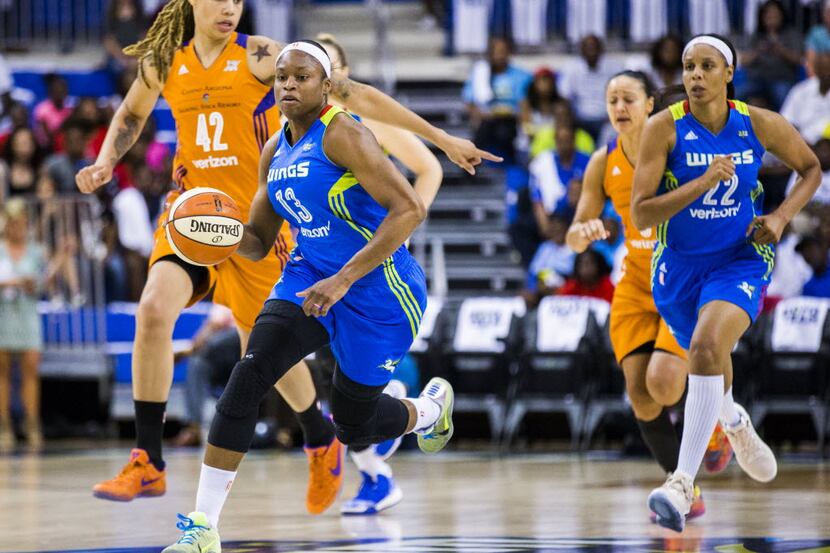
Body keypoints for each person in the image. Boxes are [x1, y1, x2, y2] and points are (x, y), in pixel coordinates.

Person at [74, 0, 495, 508]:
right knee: (154, 310)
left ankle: (319, 435)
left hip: (262, 221)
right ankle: (148, 460)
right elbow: (130, 116)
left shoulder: (261, 57)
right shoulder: (164, 61)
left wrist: (440, 137)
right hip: (200, 218)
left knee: (265, 350)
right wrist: (104, 162)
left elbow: (353, 93)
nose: (231, 7)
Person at [162, 41, 455, 552]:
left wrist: (343, 279)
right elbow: (256, 239)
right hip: (305, 278)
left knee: (352, 423)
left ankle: (427, 412)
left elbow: (409, 209)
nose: (289, 86)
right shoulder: (274, 151)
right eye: (281, 78)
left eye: (302, 77)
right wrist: (218, 236)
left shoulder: (345, 133)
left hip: (380, 292)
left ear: (325, 86)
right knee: (250, 372)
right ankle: (202, 527)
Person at [631, 34, 821, 532]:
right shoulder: (662, 129)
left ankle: (681, 481)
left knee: (707, 343)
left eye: (706, 66)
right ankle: (733, 420)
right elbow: (642, 214)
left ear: (728, 74)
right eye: (689, 67)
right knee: (710, 361)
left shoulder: (758, 123)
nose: (694, 75)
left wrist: (779, 217)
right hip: (678, 268)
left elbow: (810, 169)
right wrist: (701, 183)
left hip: (740, 257)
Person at [566, 70, 733, 524]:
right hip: (636, 286)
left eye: (628, 99)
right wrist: (582, 233)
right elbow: (576, 233)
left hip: (682, 279)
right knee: (641, 396)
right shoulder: (603, 161)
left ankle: (714, 419)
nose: (619, 107)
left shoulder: (677, 148)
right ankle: (684, 488)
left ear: (649, 105)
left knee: (664, 382)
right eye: (612, 100)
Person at [316, 32, 442, 515]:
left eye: (328, 61)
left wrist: (406, 227)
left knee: (347, 380)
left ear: (343, 74)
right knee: (330, 375)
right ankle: (377, 469)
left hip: (372, 264)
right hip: (323, 261)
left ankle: (382, 447)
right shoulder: (298, 127)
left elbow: (429, 169)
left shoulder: (363, 122)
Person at [0, 199, 46, 452]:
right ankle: (4, 425)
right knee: (2, 372)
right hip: (3, 314)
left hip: (27, 314)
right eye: (14, 223)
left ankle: (31, 424)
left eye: (22, 224)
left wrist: (32, 283)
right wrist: (9, 284)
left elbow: (42, 283)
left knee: (30, 371)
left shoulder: (35, 251)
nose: (18, 228)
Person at [737, 0, 802, 111]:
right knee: (736, 95)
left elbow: (798, 60)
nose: (771, 17)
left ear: (782, 15)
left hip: (781, 79)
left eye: (775, 14)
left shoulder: (791, 34)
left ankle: (783, 127)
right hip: (757, 80)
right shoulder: (757, 35)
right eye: (768, 14)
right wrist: (758, 50)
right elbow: (743, 61)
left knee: (784, 101)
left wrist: (781, 50)